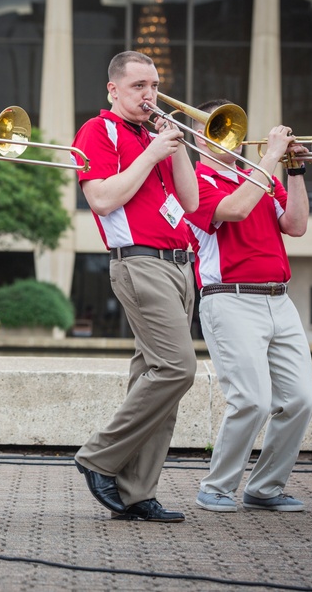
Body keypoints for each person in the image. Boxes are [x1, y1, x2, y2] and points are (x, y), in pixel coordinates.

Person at [70, 51, 198, 523]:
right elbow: (102, 199)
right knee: (177, 369)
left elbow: (191, 200)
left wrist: (176, 146)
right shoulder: (97, 131)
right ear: (114, 90)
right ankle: (99, 457)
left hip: (179, 262)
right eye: (140, 85)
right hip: (139, 261)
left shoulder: (155, 136)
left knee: (157, 383)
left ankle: (135, 492)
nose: (150, 95)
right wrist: (150, 153)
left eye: (155, 85)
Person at [183, 99, 312, 513]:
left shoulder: (258, 176)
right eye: (220, 128)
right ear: (197, 137)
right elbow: (235, 210)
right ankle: (216, 487)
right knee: (252, 400)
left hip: (279, 298)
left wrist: (293, 171)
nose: (232, 137)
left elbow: (295, 226)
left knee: (300, 401)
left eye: (232, 127)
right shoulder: (195, 180)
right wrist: (273, 157)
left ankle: (265, 488)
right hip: (230, 300)